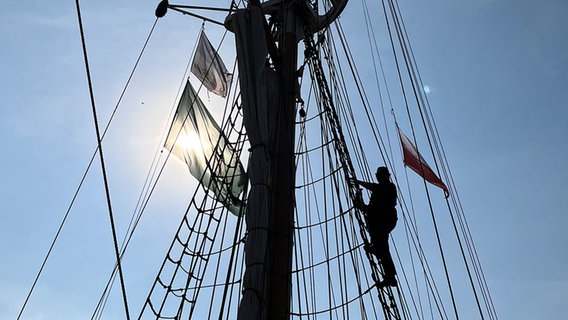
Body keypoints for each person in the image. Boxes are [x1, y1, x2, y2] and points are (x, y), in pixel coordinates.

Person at [353, 166, 398, 288]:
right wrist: (360, 202)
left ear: (385, 176)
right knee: (380, 247)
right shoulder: (377, 192)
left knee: (382, 247)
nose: (378, 177)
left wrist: (358, 182)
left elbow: (376, 188)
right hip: (377, 222)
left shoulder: (389, 187)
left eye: (380, 175)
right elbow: (369, 209)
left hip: (386, 220)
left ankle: (390, 276)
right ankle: (388, 274)